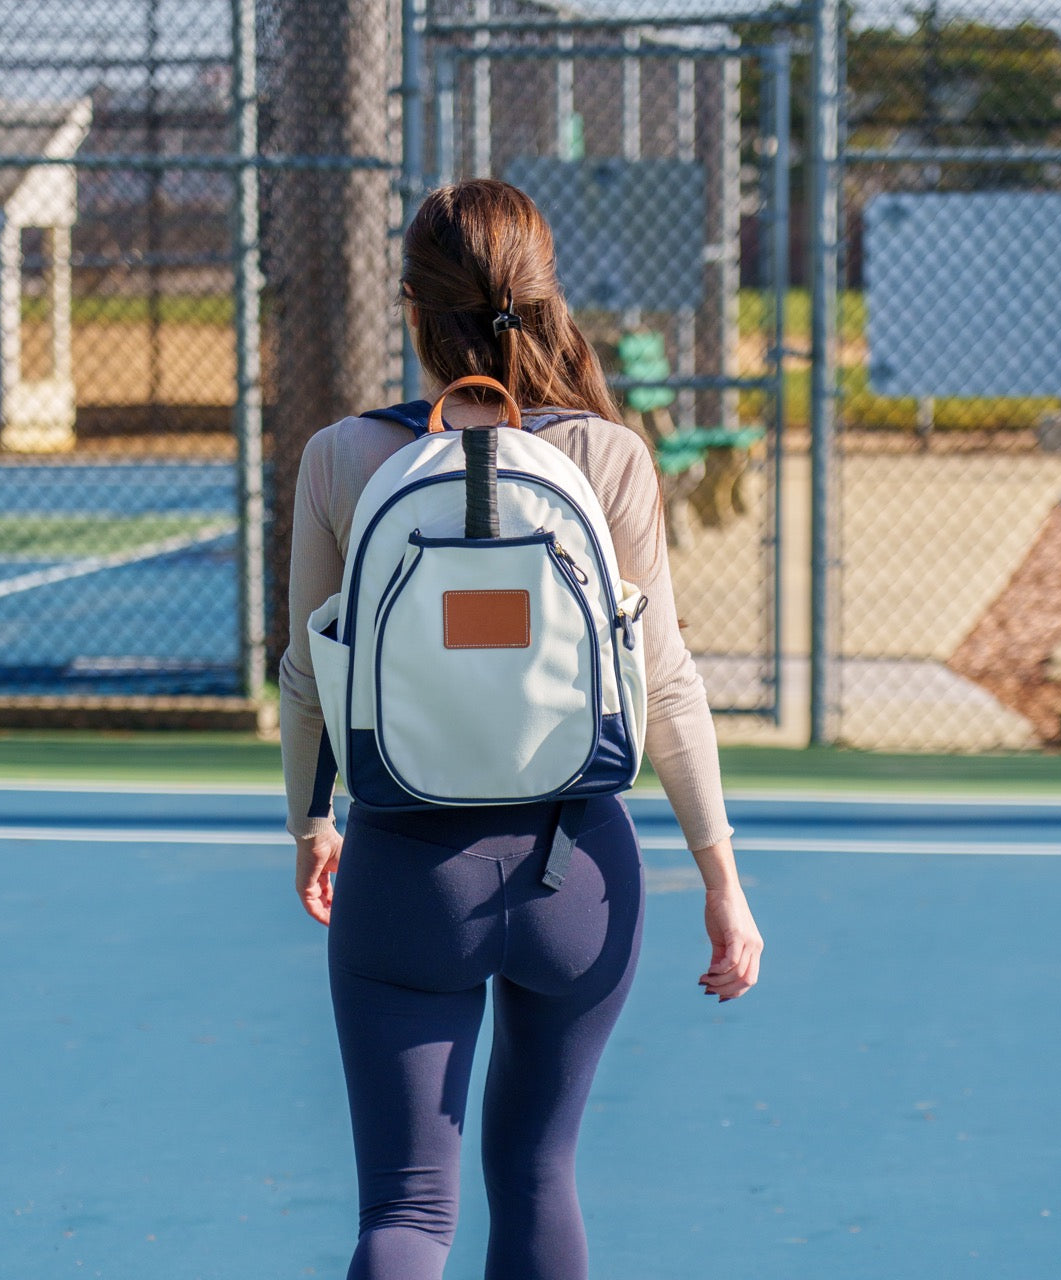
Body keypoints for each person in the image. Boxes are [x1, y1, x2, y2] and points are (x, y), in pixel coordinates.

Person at [280, 178, 763, 1280]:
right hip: (578, 873)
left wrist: (310, 823)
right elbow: (667, 682)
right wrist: (719, 876)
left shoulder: (342, 458)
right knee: (540, 1177)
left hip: (406, 871)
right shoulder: (608, 457)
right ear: (542, 296)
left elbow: (306, 677)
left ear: (411, 306)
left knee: (406, 1213)